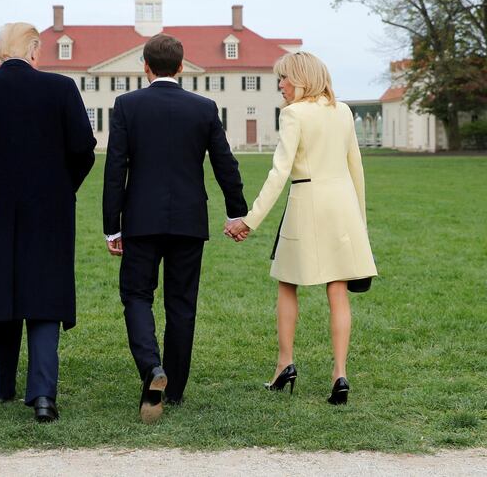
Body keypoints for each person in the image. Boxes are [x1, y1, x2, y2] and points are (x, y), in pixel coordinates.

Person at [0, 22, 96, 423]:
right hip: (49, 210)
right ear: (35, 52)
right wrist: (64, 187)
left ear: (0, 52)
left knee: (2, 288)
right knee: (43, 298)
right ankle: (43, 395)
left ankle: (2, 386)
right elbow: (84, 149)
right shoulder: (60, 89)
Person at [103, 33, 248, 423]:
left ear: (145, 66)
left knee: (136, 296)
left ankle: (153, 368)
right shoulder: (203, 107)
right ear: (181, 67)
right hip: (188, 219)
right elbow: (225, 164)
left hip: (141, 219)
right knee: (181, 304)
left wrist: (110, 227)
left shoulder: (127, 105)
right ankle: (176, 389)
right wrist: (237, 211)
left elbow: (116, 169)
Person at [226, 51, 377, 405]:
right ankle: (340, 374)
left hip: (306, 202)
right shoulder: (343, 111)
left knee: (287, 283)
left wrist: (250, 219)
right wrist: (361, 226)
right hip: (343, 207)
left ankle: (285, 364)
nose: (280, 84)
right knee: (337, 288)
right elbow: (357, 169)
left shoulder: (294, 114)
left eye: (284, 78)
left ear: (301, 79)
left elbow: (278, 172)